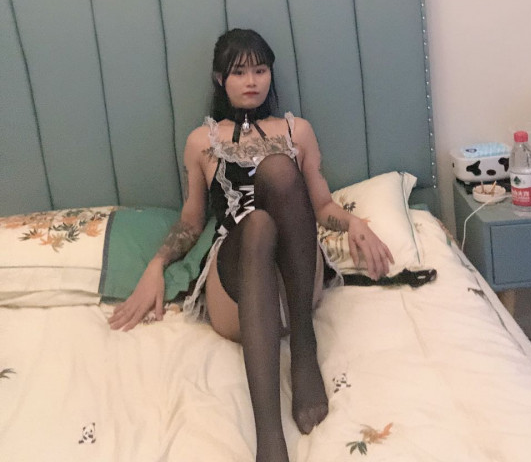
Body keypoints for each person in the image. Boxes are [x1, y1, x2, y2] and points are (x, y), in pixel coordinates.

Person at [109, 28, 393, 462]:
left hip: (297, 277)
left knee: (278, 170)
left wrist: (353, 222)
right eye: (239, 72)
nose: (252, 81)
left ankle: (303, 348)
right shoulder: (202, 141)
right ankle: (269, 438)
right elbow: (191, 220)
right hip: (236, 281)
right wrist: (156, 265)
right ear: (220, 79)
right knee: (257, 223)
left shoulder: (297, 131)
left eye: (260, 70)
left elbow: (321, 205)